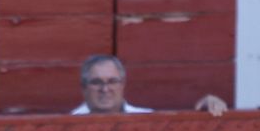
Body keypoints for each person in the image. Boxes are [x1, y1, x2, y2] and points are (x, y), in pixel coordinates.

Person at [71, 55, 227, 117]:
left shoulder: (148, 119)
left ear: (123, 84)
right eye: (97, 82)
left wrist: (210, 110)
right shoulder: (66, 127)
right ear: (83, 87)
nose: (105, 89)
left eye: (112, 81)